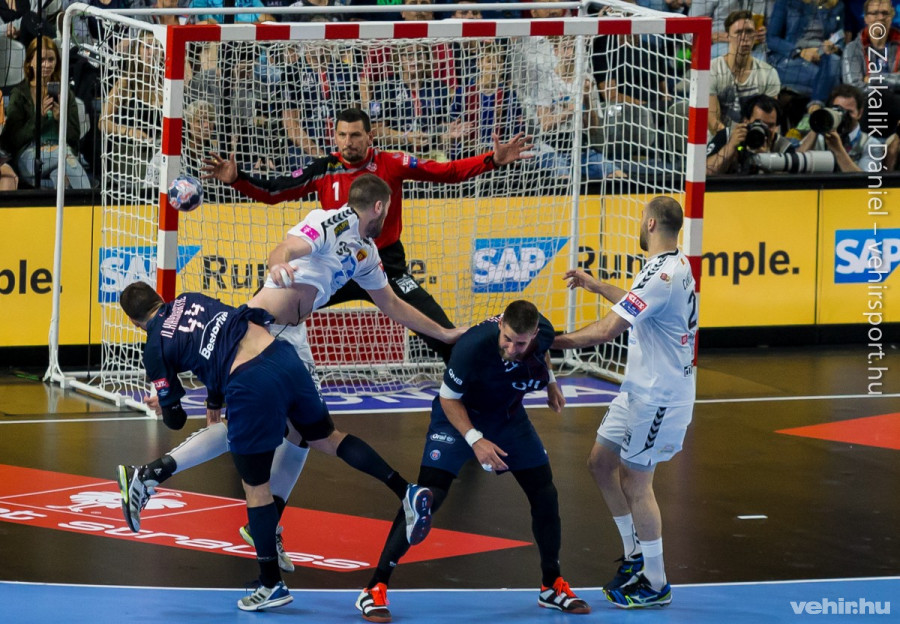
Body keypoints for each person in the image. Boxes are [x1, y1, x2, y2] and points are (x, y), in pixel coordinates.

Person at [116, 175, 463, 584]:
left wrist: (443, 334)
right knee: (271, 432)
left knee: (305, 433)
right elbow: (287, 247)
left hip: (292, 335)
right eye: (388, 209)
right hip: (263, 329)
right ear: (379, 207)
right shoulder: (330, 221)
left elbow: (392, 305)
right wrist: (278, 263)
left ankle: (263, 521)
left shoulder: (366, 253)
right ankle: (153, 476)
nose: (388, 217)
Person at [202, 107, 532, 362]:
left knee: (442, 333)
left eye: (356, 135)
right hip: (334, 267)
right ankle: (230, 379)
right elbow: (275, 191)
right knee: (262, 313)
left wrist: (491, 160)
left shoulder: (392, 163)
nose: (349, 142)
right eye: (343, 135)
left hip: (383, 264)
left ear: (370, 136)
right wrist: (238, 180)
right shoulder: (324, 169)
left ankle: (472, 396)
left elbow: (446, 172)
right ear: (334, 137)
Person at [355, 300, 591, 623]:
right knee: (427, 498)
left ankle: (552, 585)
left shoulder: (542, 333)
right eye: (507, 339)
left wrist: (550, 382)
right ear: (500, 326)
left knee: (545, 493)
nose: (512, 348)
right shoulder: (472, 346)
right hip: (457, 417)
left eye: (521, 343)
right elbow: (448, 398)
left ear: (534, 334)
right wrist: (475, 439)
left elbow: (543, 351)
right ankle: (375, 587)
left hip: (507, 418)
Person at [553, 196, 697, 609]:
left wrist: (551, 342)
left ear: (650, 224)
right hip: (639, 387)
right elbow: (637, 302)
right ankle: (634, 553)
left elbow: (607, 331)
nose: (638, 224)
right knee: (600, 462)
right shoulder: (670, 264)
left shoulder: (662, 274)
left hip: (660, 395)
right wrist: (597, 285)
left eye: (640, 219)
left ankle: (656, 581)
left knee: (636, 481)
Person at [0, 36, 91, 189]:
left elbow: (74, 137)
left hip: (61, 151)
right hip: (30, 156)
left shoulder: (65, 93)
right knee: (64, 155)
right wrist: (39, 117)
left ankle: (69, 204)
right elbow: (11, 140)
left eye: (51, 59)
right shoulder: (20, 94)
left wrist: (60, 119)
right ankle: (89, 199)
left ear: (56, 63)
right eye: (41, 60)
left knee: (61, 179)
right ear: (30, 62)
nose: (46, 65)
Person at [708, 10, 781, 135]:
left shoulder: (769, 73)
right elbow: (713, 122)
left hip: (756, 140)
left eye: (749, 31)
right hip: (720, 141)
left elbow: (770, 120)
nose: (744, 37)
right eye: (738, 32)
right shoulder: (712, 70)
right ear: (727, 36)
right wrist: (735, 142)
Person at [841, 0, 900, 133]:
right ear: (866, 18)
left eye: (885, 13)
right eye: (874, 13)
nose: (880, 18)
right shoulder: (852, 49)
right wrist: (892, 83)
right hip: (867, 108)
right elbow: (853, 88)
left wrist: (873, 78)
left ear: (891, 17)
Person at [797, 84, 885, 172]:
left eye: (849, 112)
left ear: (859, 113)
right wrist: (817, 125)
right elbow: (797, 165)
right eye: (837, 110)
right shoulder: (819, 139)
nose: (843, 116)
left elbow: (864, 180)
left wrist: (838, 150)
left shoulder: (871, 145)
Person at [706, 93, 795, 175]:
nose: (765, 129)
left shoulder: (783, 147)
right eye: (759, 123)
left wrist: (767, 160)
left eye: (770, 126)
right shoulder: (727, 136)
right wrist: (731, 147)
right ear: (746, 121)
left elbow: (788, 183)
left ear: (777, 126)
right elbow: (706, 172)